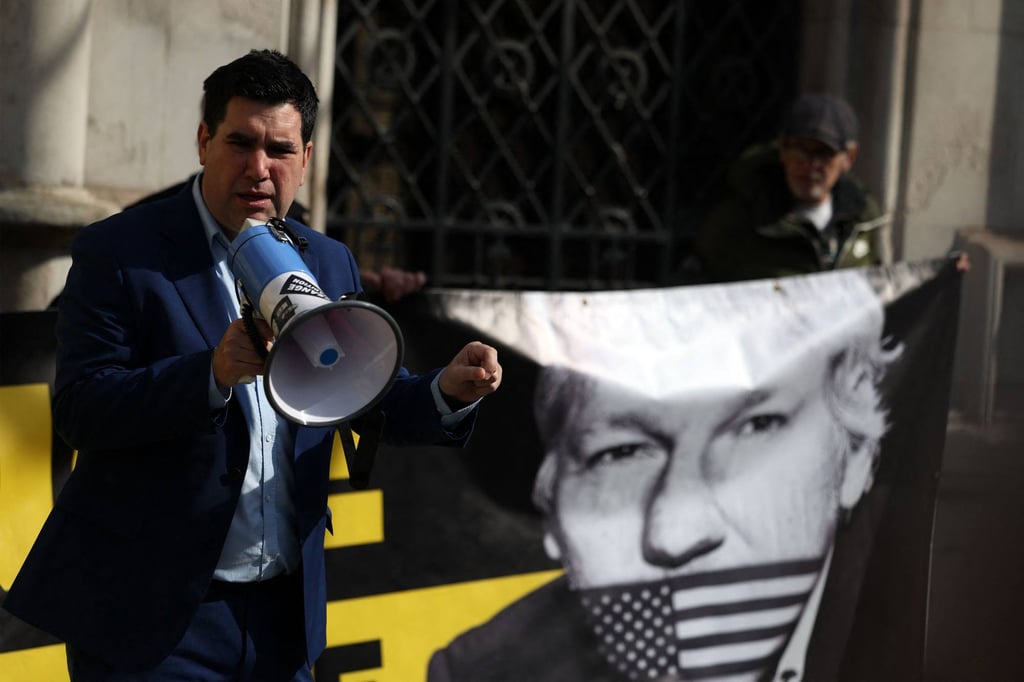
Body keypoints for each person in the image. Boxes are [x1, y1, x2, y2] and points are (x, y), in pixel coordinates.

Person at [2, 49, 502, 681]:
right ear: (204, 140)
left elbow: (361, 394)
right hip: (152, 620)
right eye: (240, 142)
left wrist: (446, 392)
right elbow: (82, 409)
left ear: (308, 158)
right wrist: (210, 377)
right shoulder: (120, 252)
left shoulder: (329, 261)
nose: (259, 168)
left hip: (282, 620)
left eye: (280, 150)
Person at [428, 271, 897, 682]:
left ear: (855, 453)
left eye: (754, 427)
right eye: (624, 453)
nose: (676, 534)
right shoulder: (486, 669)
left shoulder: (921, 629)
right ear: (552, 514)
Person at [691, 93, 887, 283]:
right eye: (800, 150)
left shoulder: (863, 220)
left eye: (823, 153)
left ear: (848, 158)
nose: (810, 166)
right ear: (782, 149)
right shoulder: (741, 218)